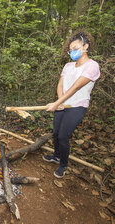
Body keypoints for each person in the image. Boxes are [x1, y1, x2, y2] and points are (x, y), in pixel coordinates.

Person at [43, 31, 100, 178]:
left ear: (85, 46)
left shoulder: (92, 66)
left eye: (75, 48)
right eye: (70, 50)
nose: (72, 52)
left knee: (63, 136)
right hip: (62, 104)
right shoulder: (68, 65)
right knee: (56, 133)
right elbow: (60, 84)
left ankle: (63, 164)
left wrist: (57, 103)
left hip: (77, 106)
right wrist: (60, 101)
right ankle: (56, 156)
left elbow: (76, 87)